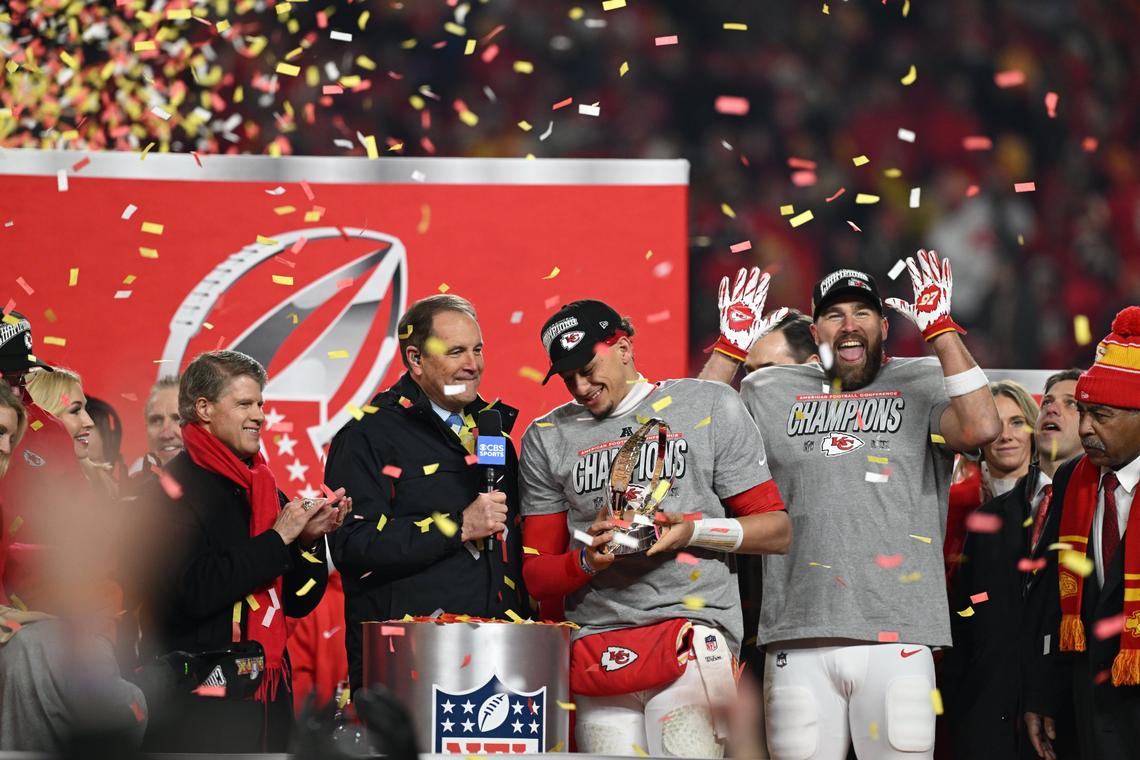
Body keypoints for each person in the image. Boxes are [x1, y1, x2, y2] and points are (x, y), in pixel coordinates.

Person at [739, 251, 1001, 760]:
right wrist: (730, 348)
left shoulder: (921, 379)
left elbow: (983, 429)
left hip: (897, 634)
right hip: (798, 632)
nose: (849, 324)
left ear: (884, 324)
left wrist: (941, 329)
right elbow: (700, 442)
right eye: (834, 315)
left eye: (861, 313)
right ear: (814, 332)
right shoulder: (768, 389)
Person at [519, 299, 791, 757]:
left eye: (588, 368)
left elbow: (776, 531)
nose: (581, 386)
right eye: (568, 378)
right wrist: (587, 558)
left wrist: (690, 531)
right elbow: (536, 574)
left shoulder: (709, 403)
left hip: (690, 634)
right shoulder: (547, 436)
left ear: (623, 346)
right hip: (598, 648)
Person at [138, 350, 347, 752]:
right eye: (245, 404)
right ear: (204, 408)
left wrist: (307, 542)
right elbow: (189, 592)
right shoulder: (169, 490)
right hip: (197, 703)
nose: (259, 416)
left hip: (267, 698)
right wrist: (276, 540)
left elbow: (299, 603)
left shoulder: (265, 488)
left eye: (261, 404)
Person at [323, 294, 529, 692]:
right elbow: (353, 546)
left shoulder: (493, 434)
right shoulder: (367, 435)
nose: (473, 365)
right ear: (415, 359)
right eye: (456, 352)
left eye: (477, 349)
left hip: (495, 657)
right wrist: (459, 526)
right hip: (410, 666)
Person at [941, 371, 1083, 759]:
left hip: (1070, 724)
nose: (1054, 407)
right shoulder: (987, 520)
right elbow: (964, 623)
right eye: (1049, 400)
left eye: (1072, 403)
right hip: (986, 726)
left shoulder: (1101, 515)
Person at [1023, 307, 1140, 760]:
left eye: (1102, 416)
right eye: (1084, 412)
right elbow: (1052, 598)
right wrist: (1041, 692)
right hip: (1090, 703)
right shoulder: (1074, 478)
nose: (1086, 428)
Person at [0, 312, 83, 604]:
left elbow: (76, 521)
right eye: (6, 376)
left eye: (21, 375)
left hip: (30, 599)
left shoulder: (51, 433)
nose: (15, 388)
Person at [944, 381, 1040, 576]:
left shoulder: (1056, 497)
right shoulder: (953, 504)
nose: (1005, 435)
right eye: (994, 424)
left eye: (1017, 422)